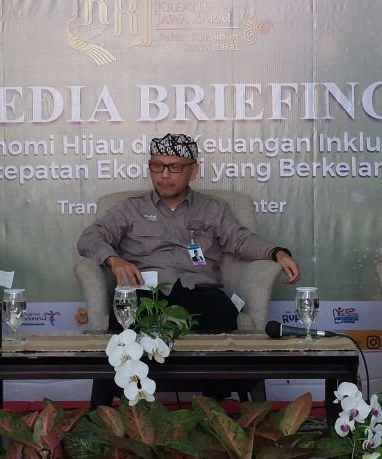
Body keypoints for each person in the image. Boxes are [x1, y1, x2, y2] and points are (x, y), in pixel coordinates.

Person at [77, 132, 301, 405]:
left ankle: (213, 406)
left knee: (221, 310)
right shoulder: (130, 209)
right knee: (123, 321)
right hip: (146, 291)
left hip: (198, 290)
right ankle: (101, 411)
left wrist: (276, 252)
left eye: (174, 167)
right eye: (157, 166)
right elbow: (89, 239)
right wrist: (114, 260)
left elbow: (240, 240)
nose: (164, 175)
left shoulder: (213, 209)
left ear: (193, 170)